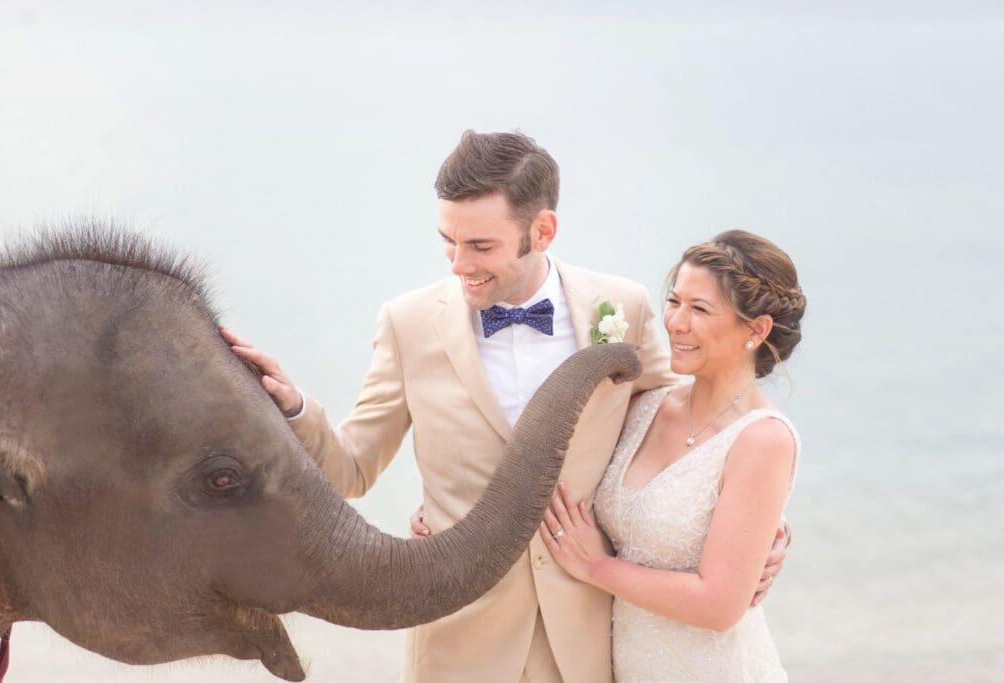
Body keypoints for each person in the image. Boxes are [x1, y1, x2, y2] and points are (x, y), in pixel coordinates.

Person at [223, 131, 789, 683]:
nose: (458, 264)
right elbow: (350, 470)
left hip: (588, 643)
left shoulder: (624, 307)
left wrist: (756, 532)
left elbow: (679, 434)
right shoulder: (408, 324)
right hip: (458, 641)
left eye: (481, 246)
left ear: (542, 231)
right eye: (448, 240)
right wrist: (294, 406)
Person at [539, 230, 805, 681]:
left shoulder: (763, 439)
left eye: (699, 309)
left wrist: (596, 567)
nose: (675, 322)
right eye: (675, 301)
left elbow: (719, 604)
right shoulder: (647, 406)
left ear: (757, 330)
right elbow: (558, 468)